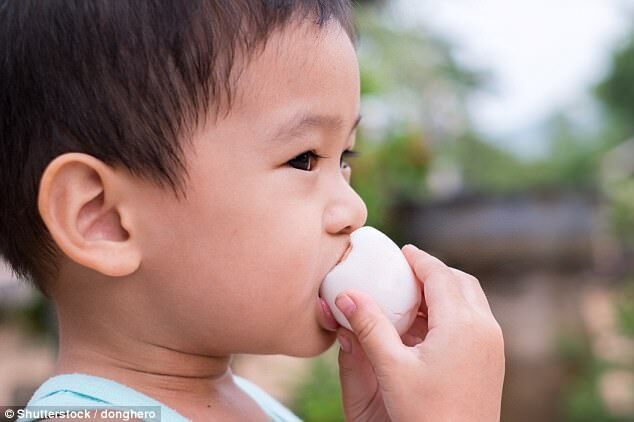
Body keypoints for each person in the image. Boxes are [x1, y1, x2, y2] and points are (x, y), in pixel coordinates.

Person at [0, 1, 504, 421]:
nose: (354, 207)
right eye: (304, 159)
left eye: (344, 158)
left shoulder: (254, 405)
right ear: (103, 218)